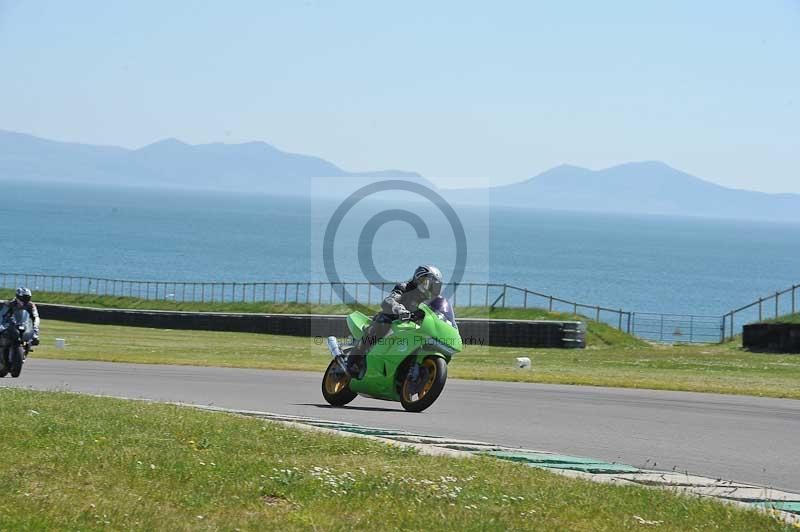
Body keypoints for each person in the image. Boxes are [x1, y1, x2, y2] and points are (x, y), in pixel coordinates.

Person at [345, 265, 443, 377]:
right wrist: (399, 309)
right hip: (392, 320)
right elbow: (389, 300)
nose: (431, 288)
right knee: (384, 322)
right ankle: (353, 362)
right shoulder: (405, 287)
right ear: (419, 279)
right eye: (429, 284)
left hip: (410, 328)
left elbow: (436, 314)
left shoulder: (429, 301)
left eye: (435, 286)